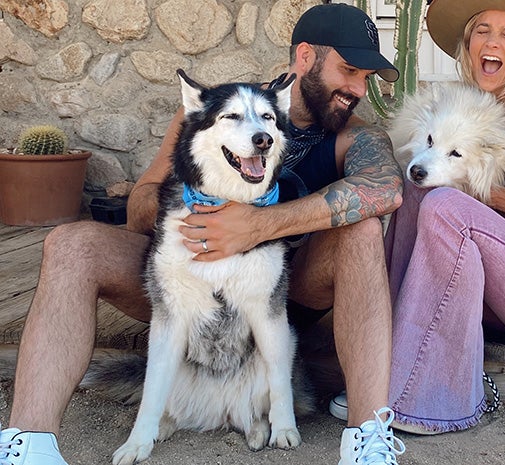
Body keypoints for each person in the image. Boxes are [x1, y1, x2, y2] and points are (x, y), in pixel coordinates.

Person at [0, 4, 407, 465]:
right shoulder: (212, 112)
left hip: (281, 298)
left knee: (363, 232)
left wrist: (257, 225)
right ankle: (28, 442)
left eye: (367, 78)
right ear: (306, 57)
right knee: (70, 245)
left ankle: (367, 438)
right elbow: (140, 204)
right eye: (349, 70)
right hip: (186, 282)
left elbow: (386, 191)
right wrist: (198, 210)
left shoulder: (356, 138)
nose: (357, 89)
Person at [332, 0, 505, 434]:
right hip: (500, 285)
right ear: (468, 43)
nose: (491, 42)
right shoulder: (465, 111)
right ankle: (379, 369)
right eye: (482, 30)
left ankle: (424, 402)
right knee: (417, 185)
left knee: (445, 205)